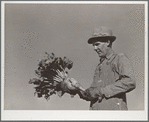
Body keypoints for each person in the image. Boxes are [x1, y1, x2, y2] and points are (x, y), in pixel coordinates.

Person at [60, 26, 136, 110]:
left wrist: (101, 92)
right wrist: (77, 89)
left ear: (107, 42)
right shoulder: (99, 67)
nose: (94, 48)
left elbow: (130, 82)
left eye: (97, 44)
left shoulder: (119, 58)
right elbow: (92, 94)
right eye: (93, 45)